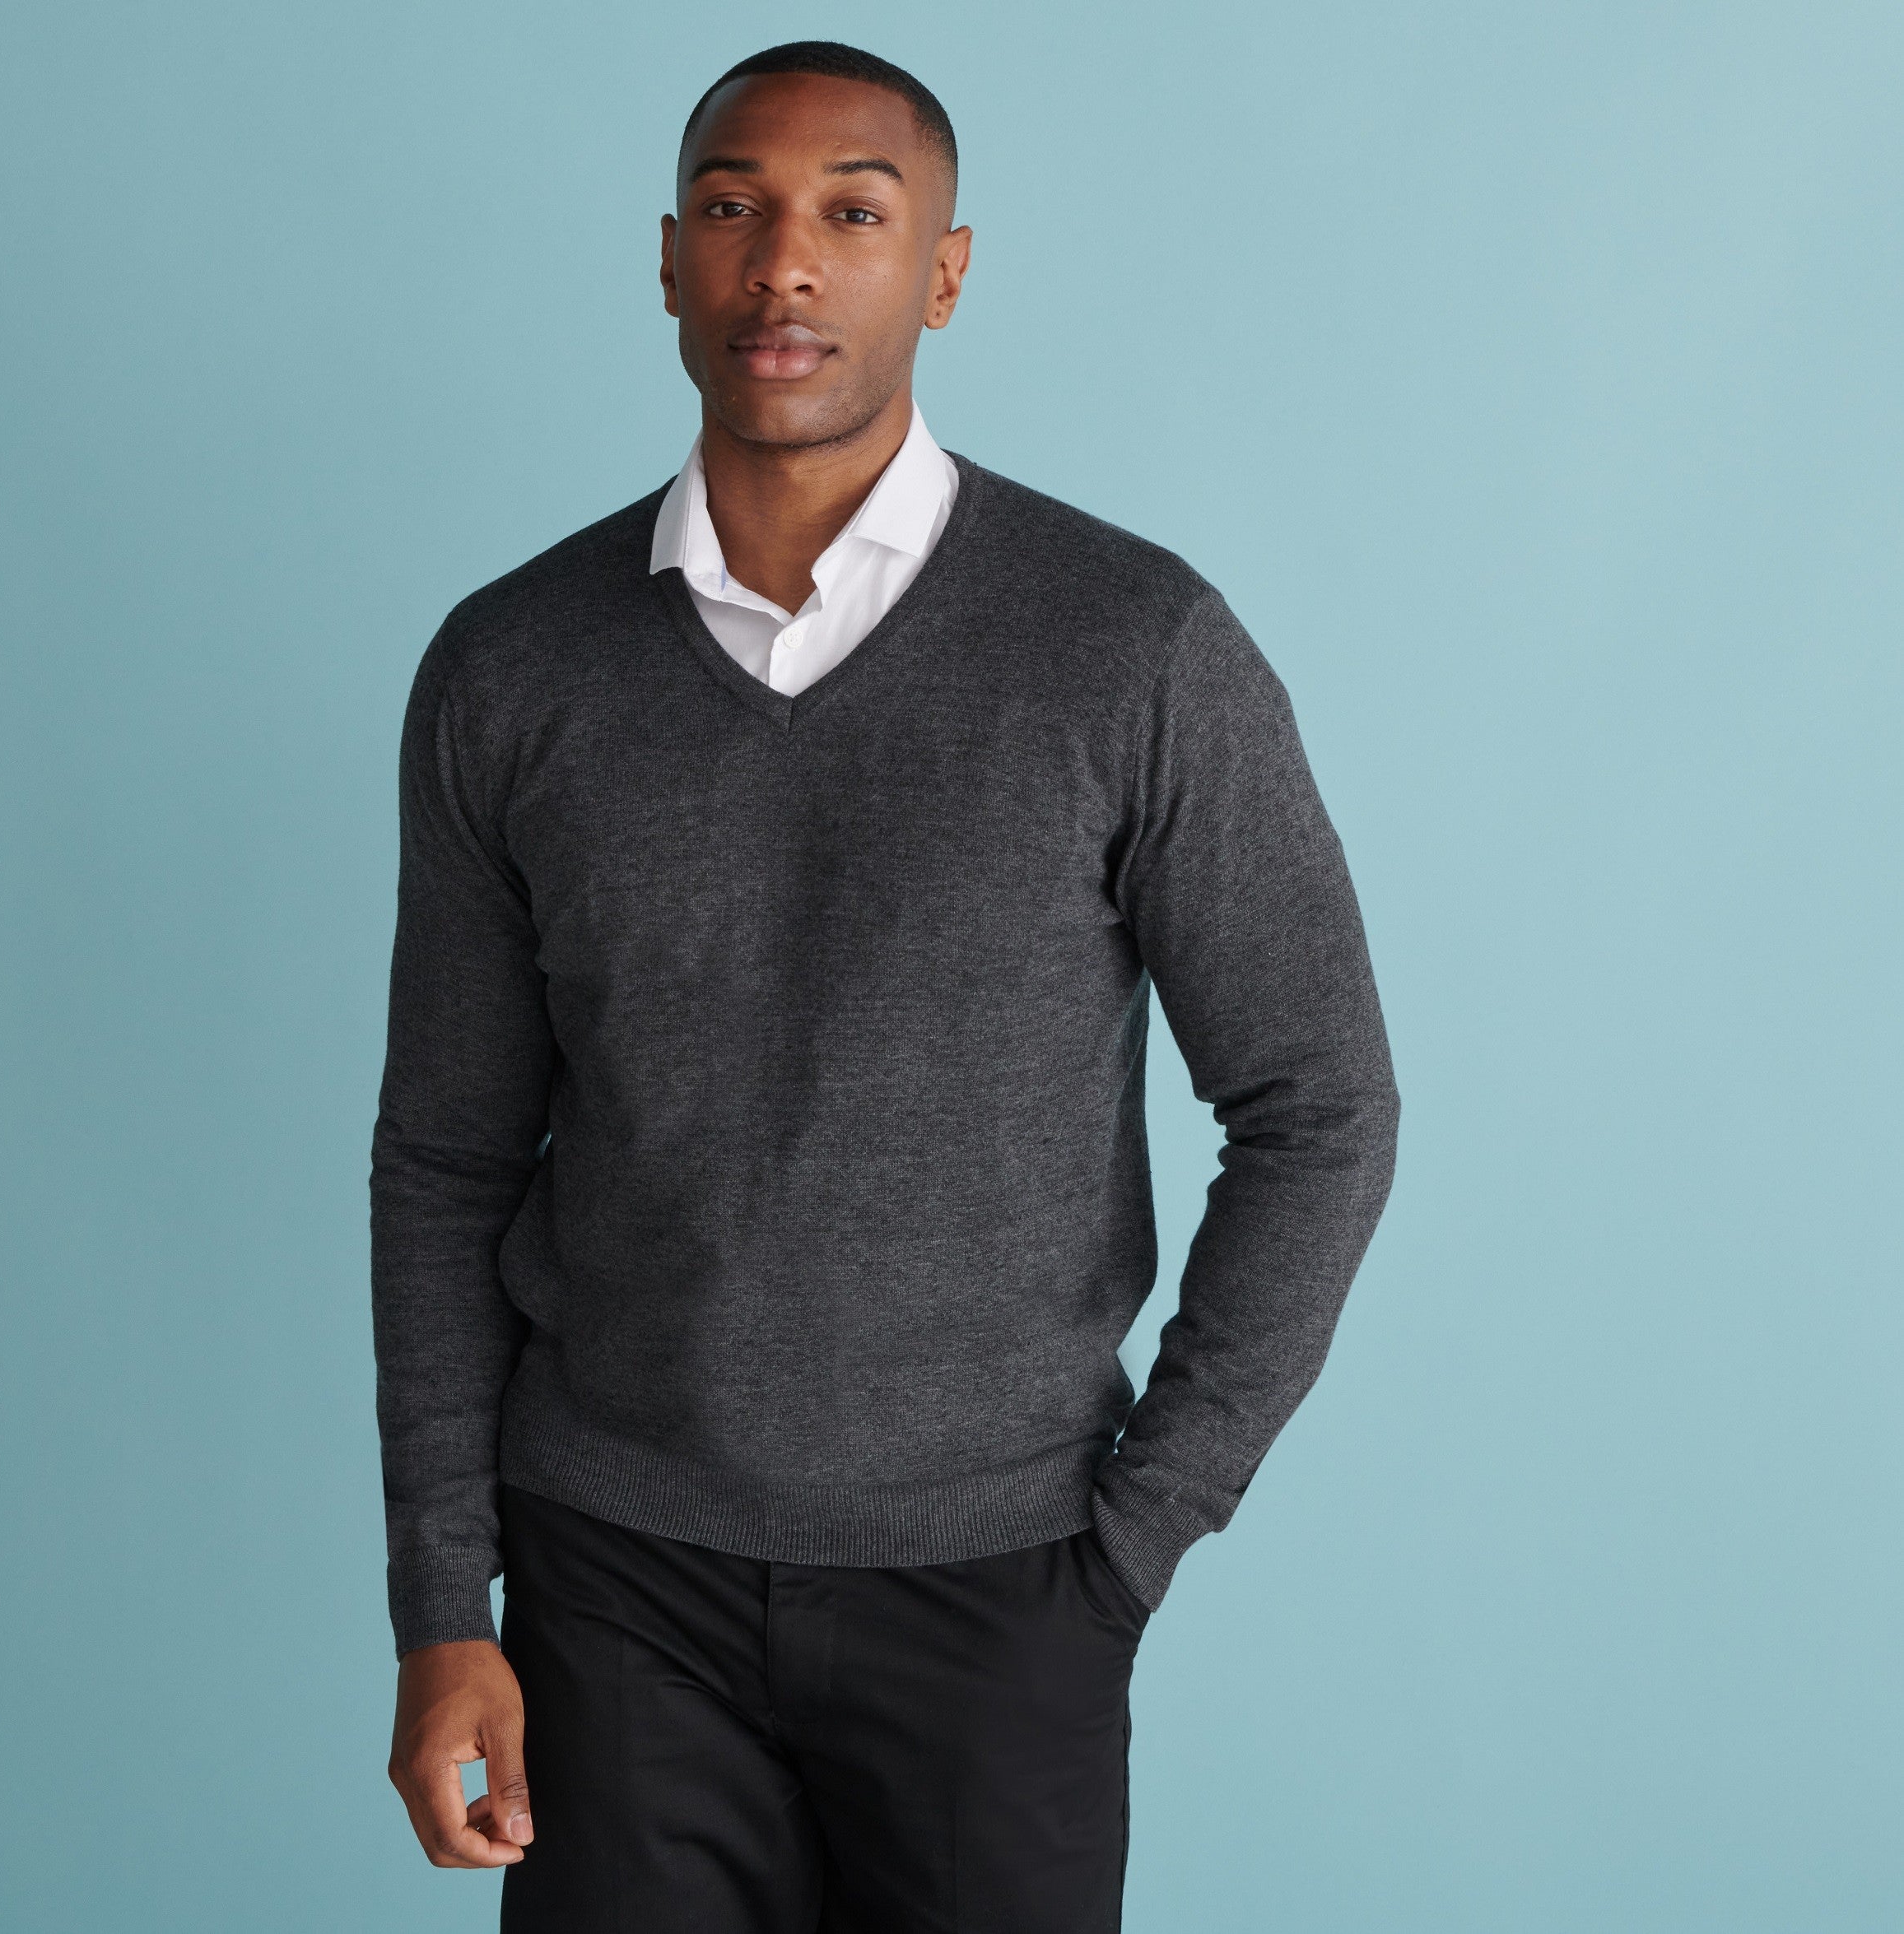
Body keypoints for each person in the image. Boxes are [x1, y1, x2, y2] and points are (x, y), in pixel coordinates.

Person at [370, 40, 1399, 1931]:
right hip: (612, 1583)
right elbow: (445, 1154)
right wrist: (445, 1602)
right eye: (732, 207)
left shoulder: (1130, 647)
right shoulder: (511, 668)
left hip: (999, 1586)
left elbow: (1318, 1106)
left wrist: (1136, 1530)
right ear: (666, 257)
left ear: (942, 272)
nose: (783, 261)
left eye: (852, 213)